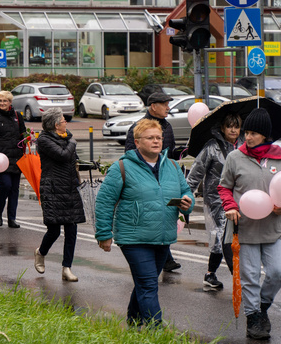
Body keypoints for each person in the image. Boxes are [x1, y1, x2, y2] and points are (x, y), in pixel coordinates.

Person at [95, 119, 193, 328]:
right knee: (149, 284)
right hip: (134, 237)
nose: (156, 141)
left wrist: (187, 203)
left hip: (163, 236)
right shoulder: (122, 167)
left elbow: (186, 192)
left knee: (143, 283)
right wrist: (104, 234)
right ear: (137, 142)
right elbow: (104, 201)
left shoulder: (173, 166)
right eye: (150, 138)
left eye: (159, 137)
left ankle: (133, 323)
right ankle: (156, 330)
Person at [218, 108, 281, 340]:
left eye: (253, 133)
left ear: (266, 135)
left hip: (273, 228)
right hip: (244, 227)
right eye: (246, 132)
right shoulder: (234, 157)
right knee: (249, 276)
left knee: (278, 272)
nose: (247, 137)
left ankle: (262, 305)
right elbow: (224, 187)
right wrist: (229, 206)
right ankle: (254, 318)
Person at [124, 91, 182, 273]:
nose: (168, 107)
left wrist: (181, 152)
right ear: (153, 106)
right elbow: (129, 155)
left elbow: (170, 153)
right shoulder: (139, 127)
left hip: (165, 179)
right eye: (165, 104)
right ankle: (158, 259)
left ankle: (165, 257)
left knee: (164, 214)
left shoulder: (168, 127)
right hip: (146, 181)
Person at [186, 112, 242, 291]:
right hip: (216, 198)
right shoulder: (212, 147)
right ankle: (231, 276)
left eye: (236, 126)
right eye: (229, 126)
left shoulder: (244, 145)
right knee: (222, 234)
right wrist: (187, 193)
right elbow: (196, 172)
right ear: (223, 128)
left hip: (239, 198)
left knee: (235, 236)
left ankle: (212, 273)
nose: (233, 130)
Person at [34, 108, 85, 282]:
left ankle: (67, 268)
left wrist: (88, 165)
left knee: (72, 230)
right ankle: (41, 252)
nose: (66, 122)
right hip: (53, 189)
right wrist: (72, 143)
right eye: (64, 120)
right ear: (56, 125)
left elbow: (72, 158)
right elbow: (62, 155)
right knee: (54, 230)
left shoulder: (67, 137)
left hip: (70, 188)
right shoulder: (44, 140)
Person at [0, 90, 27, 228]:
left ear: (10, 102)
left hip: (17, 158)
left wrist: (28, 139)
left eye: (5, 101)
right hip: (1, 160)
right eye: (0, 101)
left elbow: (23, 134)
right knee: (6, 185)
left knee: (15, 189)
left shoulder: (17, 116)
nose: (2, 103)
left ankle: (11, 218)